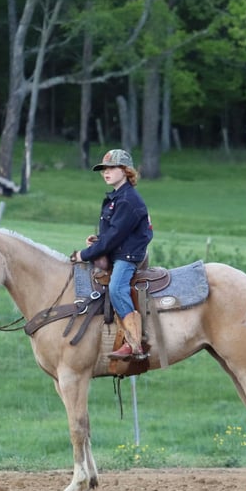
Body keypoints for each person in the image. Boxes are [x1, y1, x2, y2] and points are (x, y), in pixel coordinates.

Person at [72, 149, 153, 360]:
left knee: (117, 288)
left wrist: (85, 254)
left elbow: (115, 237)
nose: (106, 172)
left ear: (126, 171)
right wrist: (98, 240)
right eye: (103, 169)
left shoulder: (128, 200)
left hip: (127, 257)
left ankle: (135, 343)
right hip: (119, 251)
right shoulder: (117, 198)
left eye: (111, 168)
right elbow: (113, 233)